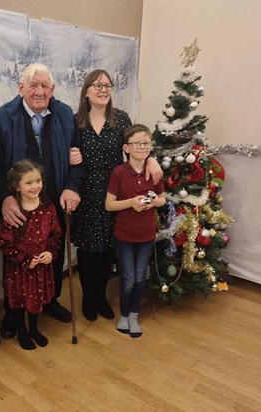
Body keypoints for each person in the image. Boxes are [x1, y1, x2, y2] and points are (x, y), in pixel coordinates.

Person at [0, 63, 85, 338]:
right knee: (16, 259)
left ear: (53, 90)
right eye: (33, 85)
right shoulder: (3, 117)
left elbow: (77, 159)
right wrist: (6, 199)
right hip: (18, 206)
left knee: (51, 253)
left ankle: (49, 300)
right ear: (21, 88)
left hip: (53, 202)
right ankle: (13, 310)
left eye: (45, 86)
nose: (39, 91)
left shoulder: (65, 114)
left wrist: (71, 187)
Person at [72, 70, 163, 321]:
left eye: (107, 85)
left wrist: (152, 159)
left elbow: (137, 146)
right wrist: (69, 156)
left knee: (107, 249)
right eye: (97, 85)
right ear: (87, 90)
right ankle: (88, 297)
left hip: (116, 192)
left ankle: (101, 296)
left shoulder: (121, 119)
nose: (103, 89)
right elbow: (64, 152)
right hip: (87, 192)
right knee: (88, 250)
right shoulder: (75, 121)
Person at [105, 124, 166, 338]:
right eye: (136, 143)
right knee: (128, 277)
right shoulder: (119, 173)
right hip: (125, 234)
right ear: (126, 147)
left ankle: (133, 315)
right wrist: (131, 202)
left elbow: (162, 199)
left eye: (146, 143)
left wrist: (154, 202)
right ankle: (123, 314)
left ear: (151, 146)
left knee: (140, 277)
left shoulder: (154, 172)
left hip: (146, 234)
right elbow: (109, 205)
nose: (142, 146)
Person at [0, 159, 61, 350]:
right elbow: (4, 242)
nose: (35, 187)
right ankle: (23, 333)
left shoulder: (47, 207)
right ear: (17, 186)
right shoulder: (14, 212)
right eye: (29, 183)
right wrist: (25, 259)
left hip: (41, 266)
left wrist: (50, 252)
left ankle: (34, 330)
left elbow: (56, 234)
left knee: (37, 299)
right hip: (20, 269)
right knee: (19, 302)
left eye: (38, 181)